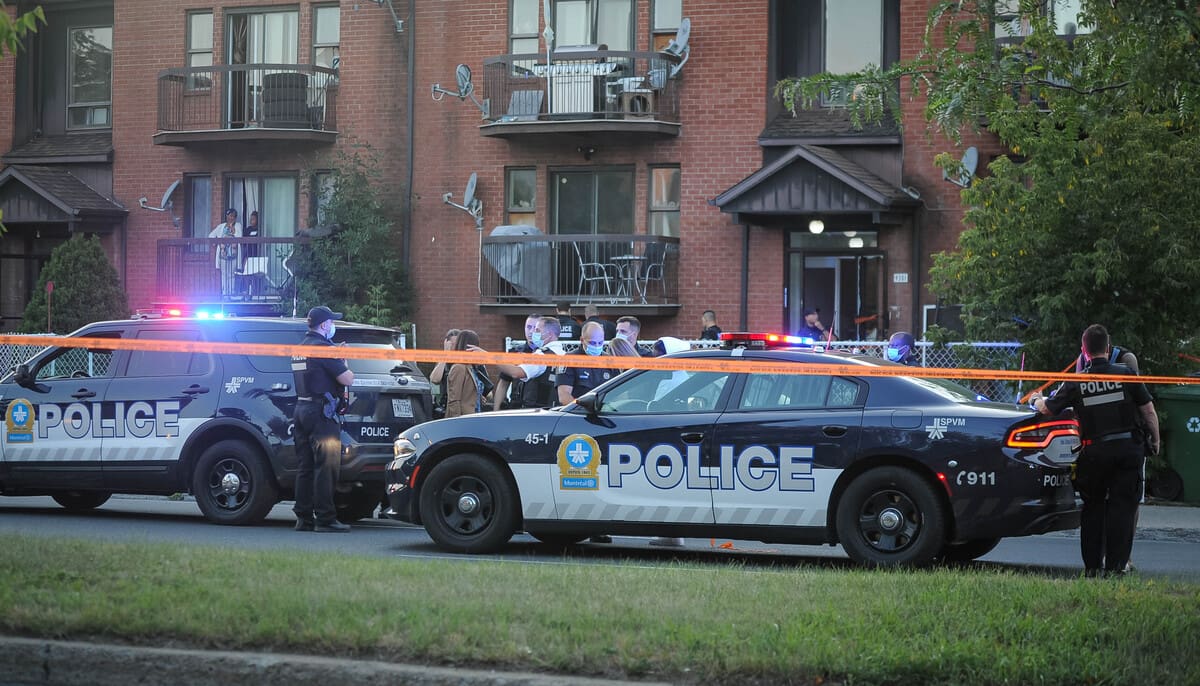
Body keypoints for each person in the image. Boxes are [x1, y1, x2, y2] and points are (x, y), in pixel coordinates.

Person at [1031, 324, 1160, 577]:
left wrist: (1036, 398)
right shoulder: (1126, 374)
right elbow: (1149, 412)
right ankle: (1116, 569)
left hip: (1095, 454)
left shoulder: (1077, 381)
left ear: (1084, 351)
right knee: (1123, 510)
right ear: (1108, 348)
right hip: (1127, 450)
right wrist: (1154, 442)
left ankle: (1092, 569)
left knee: (1093, 510)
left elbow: (1047, 409)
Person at [291, 306, 354, 533]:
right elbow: (347, 379)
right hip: (321, 413)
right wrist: (343, 359)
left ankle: (303, 518)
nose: (333, 326)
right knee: (326, 466)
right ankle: (326, 518)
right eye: (332, 322)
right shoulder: (324, 349)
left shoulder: (299, 349)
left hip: (301, 409)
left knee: (305, 466)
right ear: (325, 325)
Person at [493, 316, 564, 410]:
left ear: (549, 334)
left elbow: (516, 372)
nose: (534, 333)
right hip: (554, 412)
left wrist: (488, 357)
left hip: (534, 413)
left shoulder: (541, 356)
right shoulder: (563, 354)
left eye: (537, 330)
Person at [556, 321, 616, 406]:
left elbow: (619, 393)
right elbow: (564, 396)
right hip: (578, 413)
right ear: (582, 340)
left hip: (606, 411)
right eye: (592, 343)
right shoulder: (569, 360)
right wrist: (580, 409)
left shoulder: (609, 361)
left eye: (600, 343)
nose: (596, 346)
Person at [492, 313, 541, 410]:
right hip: (517, 407)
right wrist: (496, 411)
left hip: (541, 408)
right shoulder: (515, 352)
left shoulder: (550, 353)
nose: (531, 331)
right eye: (528, 327)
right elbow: (503, 383)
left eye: (535, 328)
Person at [445, 329, 485, 418]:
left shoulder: (471, 368)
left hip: (474, 415)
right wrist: (457, 420)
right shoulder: (459, 368)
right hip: (463, 418)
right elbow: (454, 399)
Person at [209, 208, 242, 297]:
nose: (230, 218)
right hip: (223, 254)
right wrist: (217, 243)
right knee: (224, 274)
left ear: (235, 217)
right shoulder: (221, 226)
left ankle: (231, 293)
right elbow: (211, 235)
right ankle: (224, 294)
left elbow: (239, 236)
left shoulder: (238, 225)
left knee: (231, 274)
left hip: (233, 254)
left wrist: (232, 228)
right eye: (229, 215)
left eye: (232, 216)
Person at [429, 328, 460, 419]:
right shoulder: (443, 363)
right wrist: (445, 355)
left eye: (458, 344)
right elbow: (434, 380)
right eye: (453, 345)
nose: (455, 348)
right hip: (445, 408)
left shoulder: (466, 362)